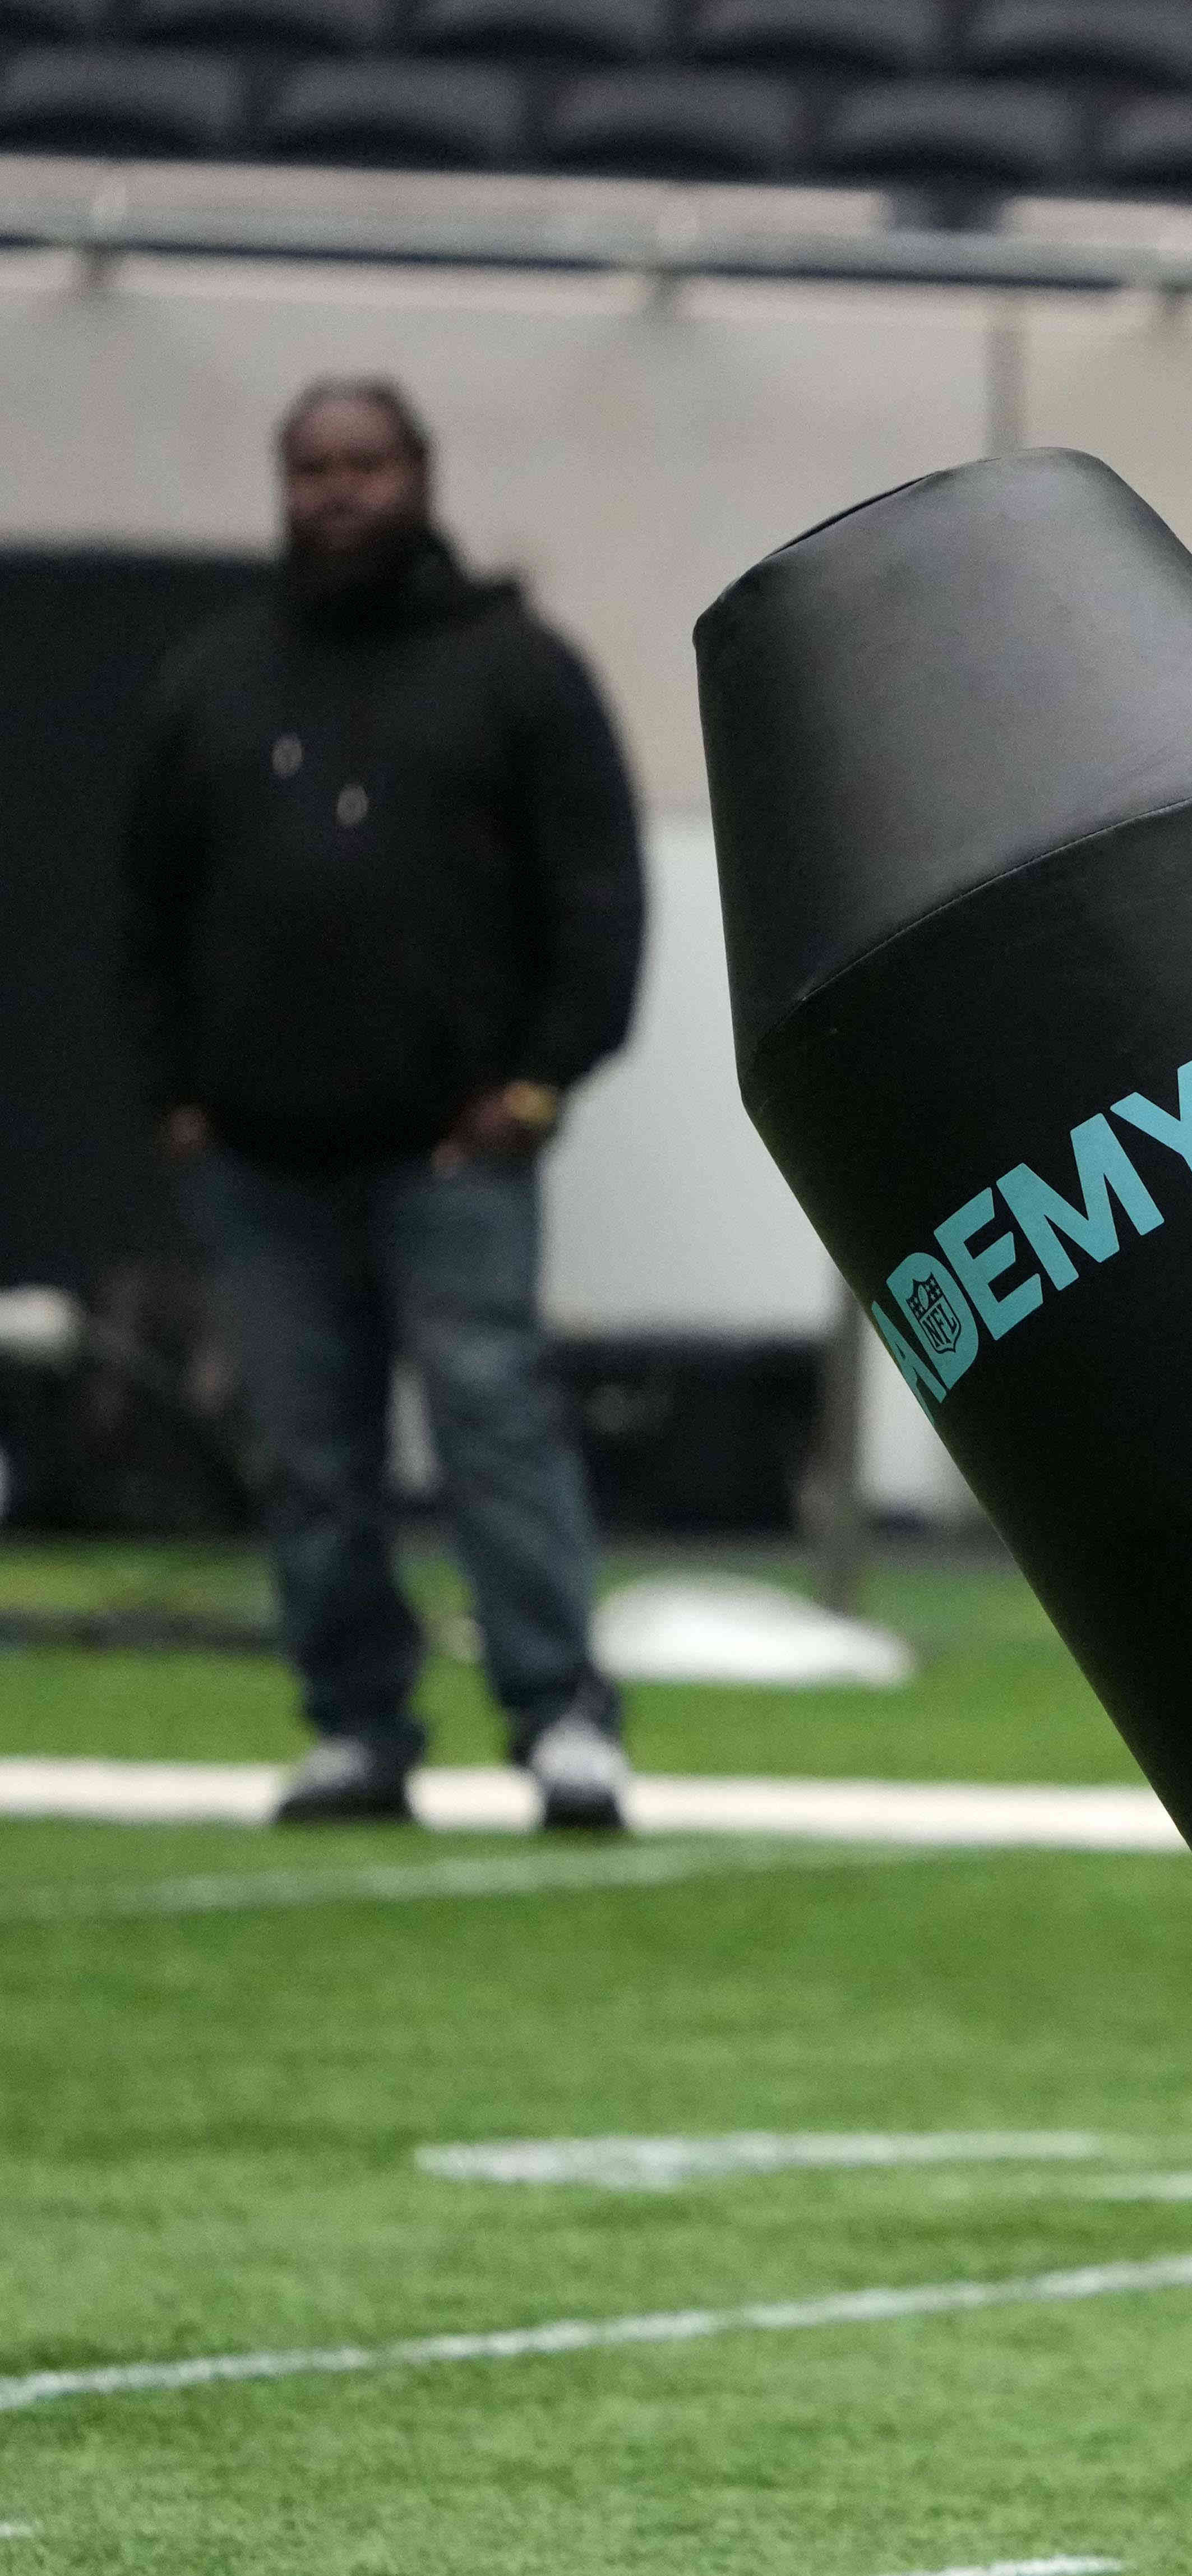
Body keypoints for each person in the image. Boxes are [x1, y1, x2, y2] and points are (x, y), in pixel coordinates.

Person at [118, 377, 642, 1834]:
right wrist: (174, 1091)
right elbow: (144, 906)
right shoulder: (215, 677)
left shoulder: (516, 667)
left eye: (365, 463)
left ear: (420, 473)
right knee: (309, 1458)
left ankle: (560, 1721)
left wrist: (545, 1076)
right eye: (312, 468)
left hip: (454, 1149)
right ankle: (357, 1723)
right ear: (282, 487)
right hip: (261, 1154)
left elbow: (597, 896)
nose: (338, 491)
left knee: (494, 1424)